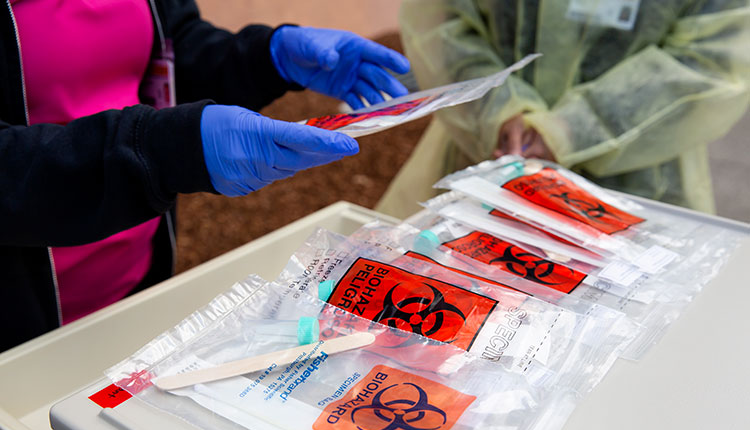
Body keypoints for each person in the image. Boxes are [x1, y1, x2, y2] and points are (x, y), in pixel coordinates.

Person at [0, 0, 411, 351]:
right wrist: (163, 150)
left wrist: (263, 59)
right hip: (21, 314)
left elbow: (169, 47)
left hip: (136, 269)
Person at [375, 0, 750, 219]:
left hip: (639, 176)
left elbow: (715, 61)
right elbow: (441, 22)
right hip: (486, 150)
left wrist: (572, 129)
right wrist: (498, 108)